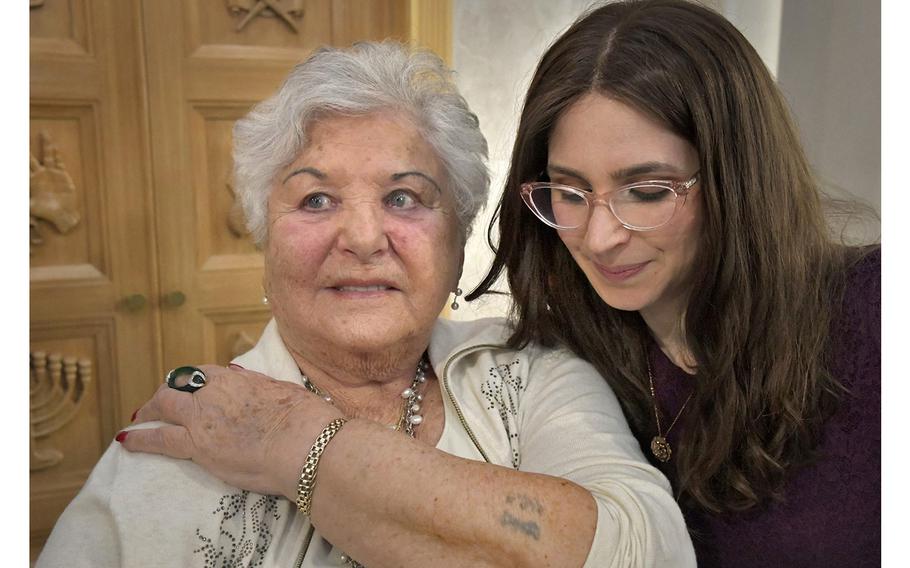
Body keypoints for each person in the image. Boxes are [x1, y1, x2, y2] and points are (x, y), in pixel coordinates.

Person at [37, 41, 695, 567]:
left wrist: (290, 439)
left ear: (458, 237)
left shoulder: (532, 372)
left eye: (404, 197)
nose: (360, 237)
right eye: (315, 199)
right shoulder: (180, 435)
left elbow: (651, 553)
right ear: (265, 237)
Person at [467, 1, 880, 566]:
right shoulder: (558, 358)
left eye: (647, 191)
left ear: (739, 178)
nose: (601, 236)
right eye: (569, 192)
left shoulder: (877, 310)